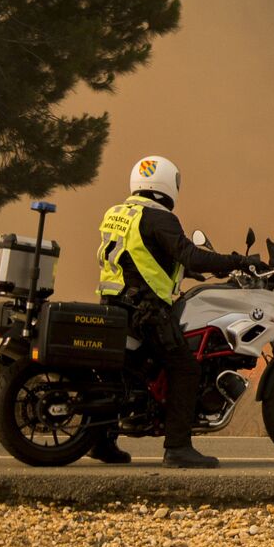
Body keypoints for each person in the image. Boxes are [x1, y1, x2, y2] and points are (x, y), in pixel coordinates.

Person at [91, 155, 261, 469]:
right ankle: (178, 447)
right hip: (145, 310)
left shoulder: (118, 213)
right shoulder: (160, 218)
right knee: (186, 369)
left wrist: (185, 272)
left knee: (122, 373)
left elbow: (142, 255)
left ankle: (102, 441)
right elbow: (191, 255)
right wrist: (239, 261)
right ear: (168, 184)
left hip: (116, 304)